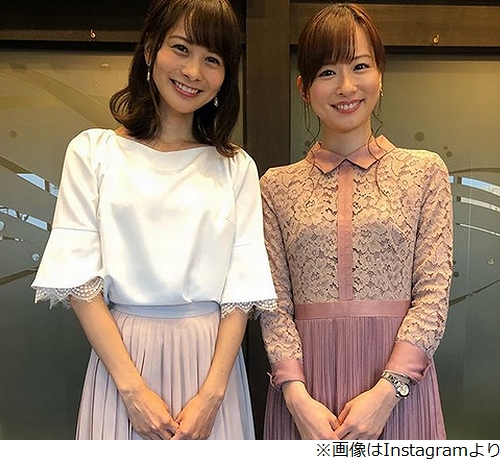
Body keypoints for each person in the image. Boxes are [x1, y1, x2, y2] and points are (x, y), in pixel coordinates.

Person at [31, 0, 276, 440]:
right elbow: (80, 282)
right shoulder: (93, 153)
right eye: (181, 48)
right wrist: (132, 391)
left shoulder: (235, 166)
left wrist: (213, 395)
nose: (193, 71)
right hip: (122, 361)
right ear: (150, 50)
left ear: (226, 76)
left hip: (210, 366)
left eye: (212, 59)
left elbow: (241, 290)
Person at [259, 3, 453, 440]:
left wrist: (388, 392)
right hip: (305, 397)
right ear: (304, 88)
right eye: (327, 72)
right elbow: (273, 304)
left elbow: (433, 295)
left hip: (400, 391)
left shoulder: (424, 172)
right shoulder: (275, 187)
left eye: (360, 66)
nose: (346, 86)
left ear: (380, 75)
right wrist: (295, 397)